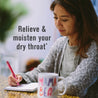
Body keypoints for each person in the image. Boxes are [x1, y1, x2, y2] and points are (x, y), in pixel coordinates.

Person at [8, 0, 98, 97]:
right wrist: (22, 78)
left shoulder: (94, 48)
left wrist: (44, 86)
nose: (57, 23)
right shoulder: (60, 44)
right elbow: (41, 71)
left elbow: (74, 86)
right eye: (55, 17)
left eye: (64, 19)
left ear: (81, 20)